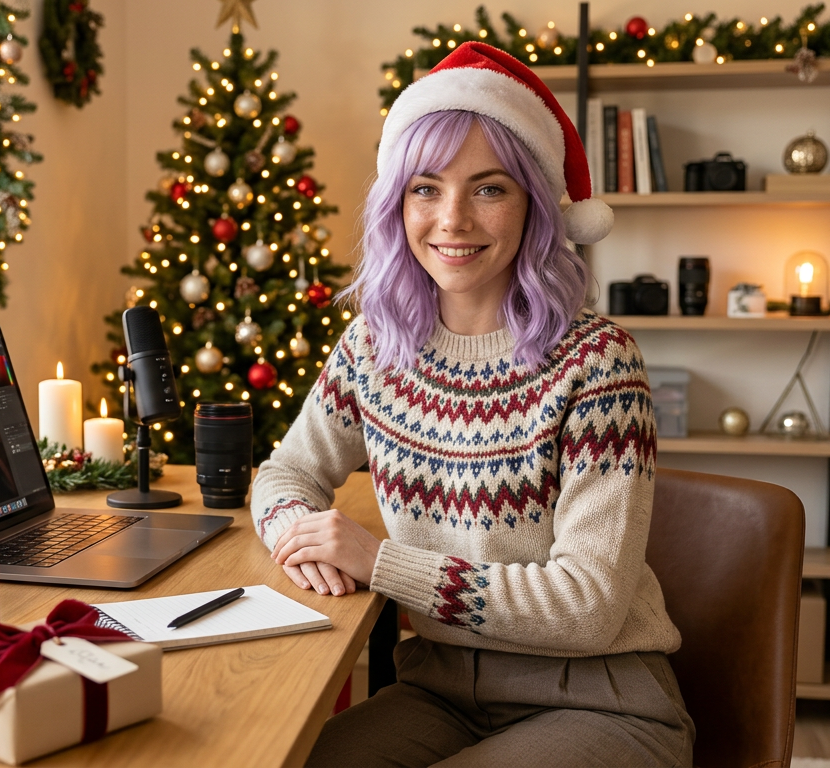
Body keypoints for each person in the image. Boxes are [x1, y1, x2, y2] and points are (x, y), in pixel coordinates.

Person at [250, 43, 693, 767]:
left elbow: (587, 605)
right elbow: (284, 473)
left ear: (536, 209)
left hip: (599, 700)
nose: (451, 219)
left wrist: (379, 562)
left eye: (489, 189)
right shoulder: (374, 346)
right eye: (426, 187)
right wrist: (299, 535)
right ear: (399, 203)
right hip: (439, 693)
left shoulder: (597, 363)